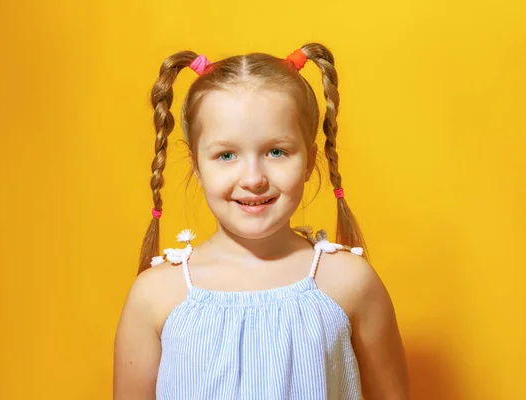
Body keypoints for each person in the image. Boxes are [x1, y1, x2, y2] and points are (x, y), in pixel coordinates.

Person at [114, 43, 410, 399]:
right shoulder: (155, 296)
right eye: (226, 155)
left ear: (310, 159)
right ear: (196, 165)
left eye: (276, 152)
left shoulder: (349, 282)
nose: (253, 178)